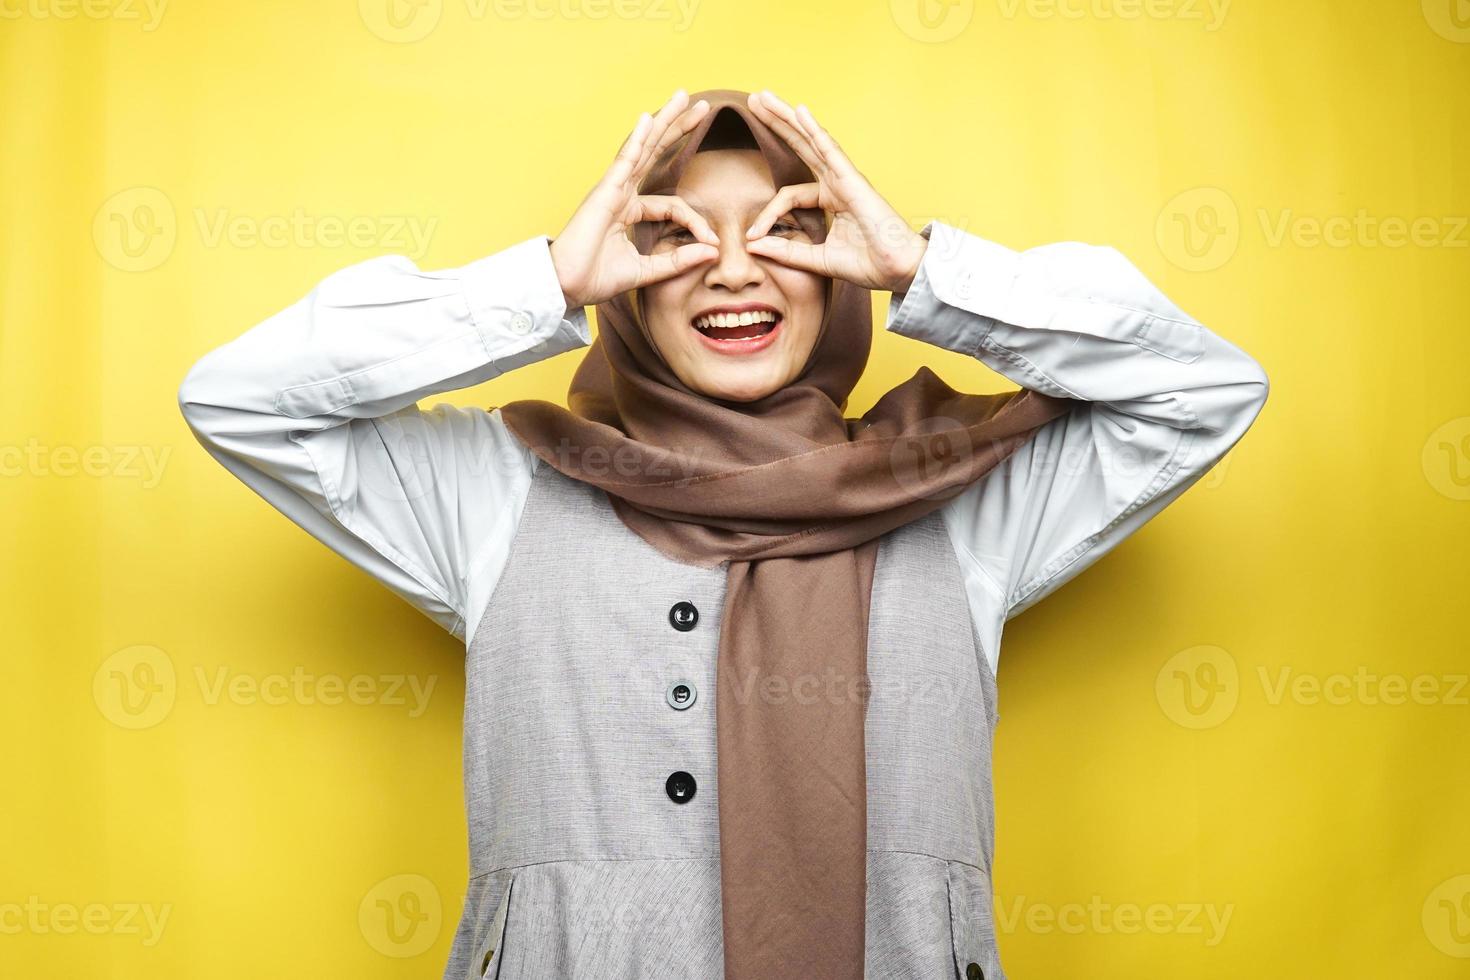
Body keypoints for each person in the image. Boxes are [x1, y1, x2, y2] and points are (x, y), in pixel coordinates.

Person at [177, 87, 1269, 980]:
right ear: (626, 288)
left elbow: (1207, 387)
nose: (736, 270)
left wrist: (928, 270)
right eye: (673, 235)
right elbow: (239, 398)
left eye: (791, 232)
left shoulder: (962, 493)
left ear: (842, 272)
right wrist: (543, 278)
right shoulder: (492, 492)